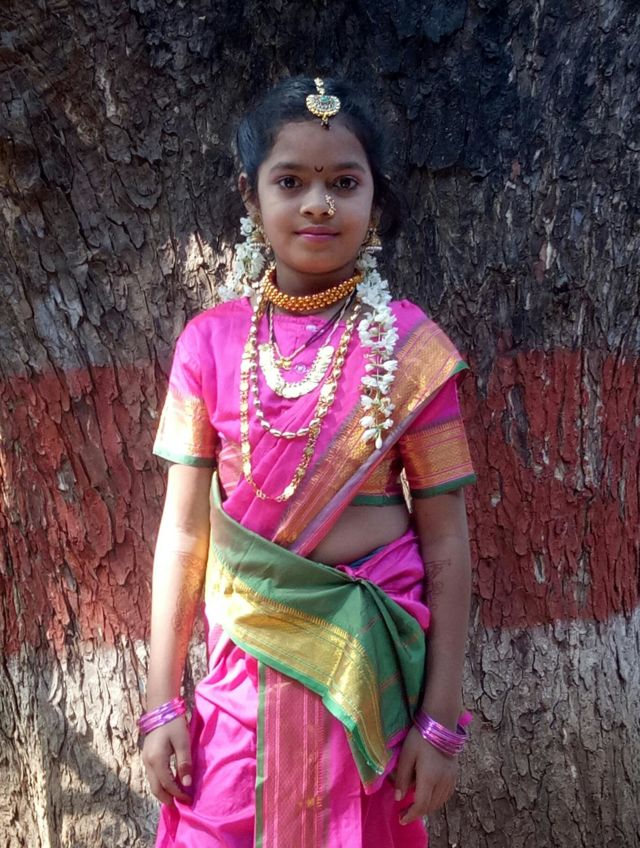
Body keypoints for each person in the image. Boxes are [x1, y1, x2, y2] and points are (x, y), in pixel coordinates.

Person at [140, 76, 476, 848]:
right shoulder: (208, 342)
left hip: (366, 680)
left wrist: (440, 723)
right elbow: (183, 536)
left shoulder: (412, 348)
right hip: (240, 683)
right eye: (290, 182)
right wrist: (161, 704)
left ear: (375, 202)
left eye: (343, 183)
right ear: (251, 198)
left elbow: (448, 542)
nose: (318, 204)